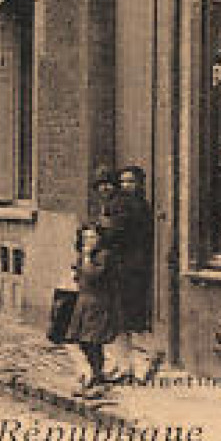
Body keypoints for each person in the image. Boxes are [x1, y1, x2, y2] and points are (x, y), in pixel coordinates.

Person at [105, 164, 159, 384]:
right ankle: (124, 365)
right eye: (123, 181)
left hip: (133, 269)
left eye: (131, 181)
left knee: (134, 319)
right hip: (119, 268)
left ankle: (141, 366)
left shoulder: (134, 208)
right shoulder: (120, 205)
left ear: (140, 184)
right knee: (119, 320)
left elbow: (115, 234)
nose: (126, 185)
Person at [65, 222, 118, 399]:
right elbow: (79, 276)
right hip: (84, 301)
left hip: (99, 302)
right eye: (85, 237)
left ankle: (97, 379)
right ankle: (94, 377)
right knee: (82, 341)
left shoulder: (104, 256)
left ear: (100, 239)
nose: (89, 241)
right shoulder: (83, 256)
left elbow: (93, 276)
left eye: (93, 237)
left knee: (93, 341)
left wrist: (87, 258)